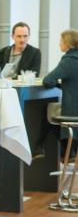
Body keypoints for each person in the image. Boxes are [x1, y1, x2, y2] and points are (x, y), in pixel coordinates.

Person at [37, 29, 78, 159]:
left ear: (68, 44)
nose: (59, 44)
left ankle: (41, 147)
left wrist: (57, 85)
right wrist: (63, 85)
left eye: (61, 41)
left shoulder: (69, 60)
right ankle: (66, 151)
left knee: (48, 112)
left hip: (73, 115)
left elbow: (48, 80)